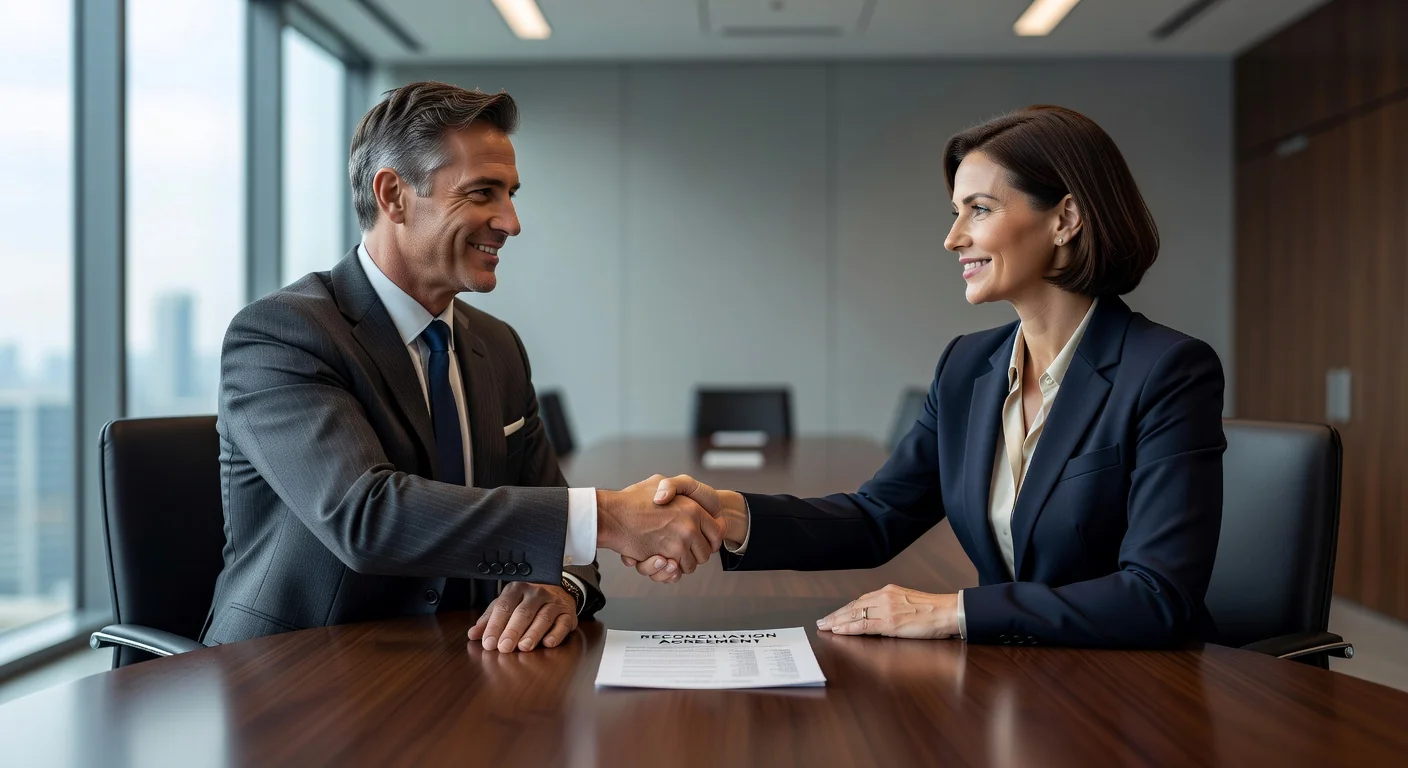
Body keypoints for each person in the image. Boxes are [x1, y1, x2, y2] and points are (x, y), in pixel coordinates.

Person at [631, 105, 1226, 648]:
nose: (952, 238)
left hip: (1136, 695)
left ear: (1065, 218)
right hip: (1021, 681)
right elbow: (877, 518)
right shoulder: (968, 366)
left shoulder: (1167, 371)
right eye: (955, 212)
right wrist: (732, 515)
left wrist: (955, 612)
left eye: (980, 210)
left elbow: (1158, 595)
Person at [204, 82, 723, 654]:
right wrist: (609, 517)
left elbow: (551, 515)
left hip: (454, 667)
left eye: (511, 194)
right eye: (483, 193)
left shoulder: (497, 347)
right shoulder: (283, 335)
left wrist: (561, 587)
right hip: (294, 680)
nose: (511, 221)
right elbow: (366, 518)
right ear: (394, 195)